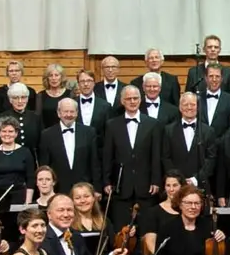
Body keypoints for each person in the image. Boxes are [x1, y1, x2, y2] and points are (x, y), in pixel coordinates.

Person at [100, 85, 162, 227]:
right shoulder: (112, 125)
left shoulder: (153, 124)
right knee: (121, 229)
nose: (132, 101)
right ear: (122, 101)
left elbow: (156, 154)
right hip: (121, 187)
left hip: (146, 187)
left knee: (146, 228)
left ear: (140, 100)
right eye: (129, 99)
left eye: (135, 98)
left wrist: (156, 180)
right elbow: (108, 155)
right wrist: (106, 181)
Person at [37, 98, 100, 193]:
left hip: (84, 188)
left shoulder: (89, 132)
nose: (69, 115)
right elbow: (45, 165)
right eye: (65, 111)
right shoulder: (47, 134)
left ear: (77, 113)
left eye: (72, 112)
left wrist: (97, 188)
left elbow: (94, 163)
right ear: (58, 113)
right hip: (58, 189)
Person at [162, 92, 215, 189]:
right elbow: (166, 157)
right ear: (180, 107)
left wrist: (195, 179)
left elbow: (211, 159)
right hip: (175, 185)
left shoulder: (208, 131)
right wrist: (177, 179)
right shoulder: (168, 130)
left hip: (200, 184)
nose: (189, 107)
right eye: (186, 104)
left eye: (193, 104)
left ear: (198, 107)